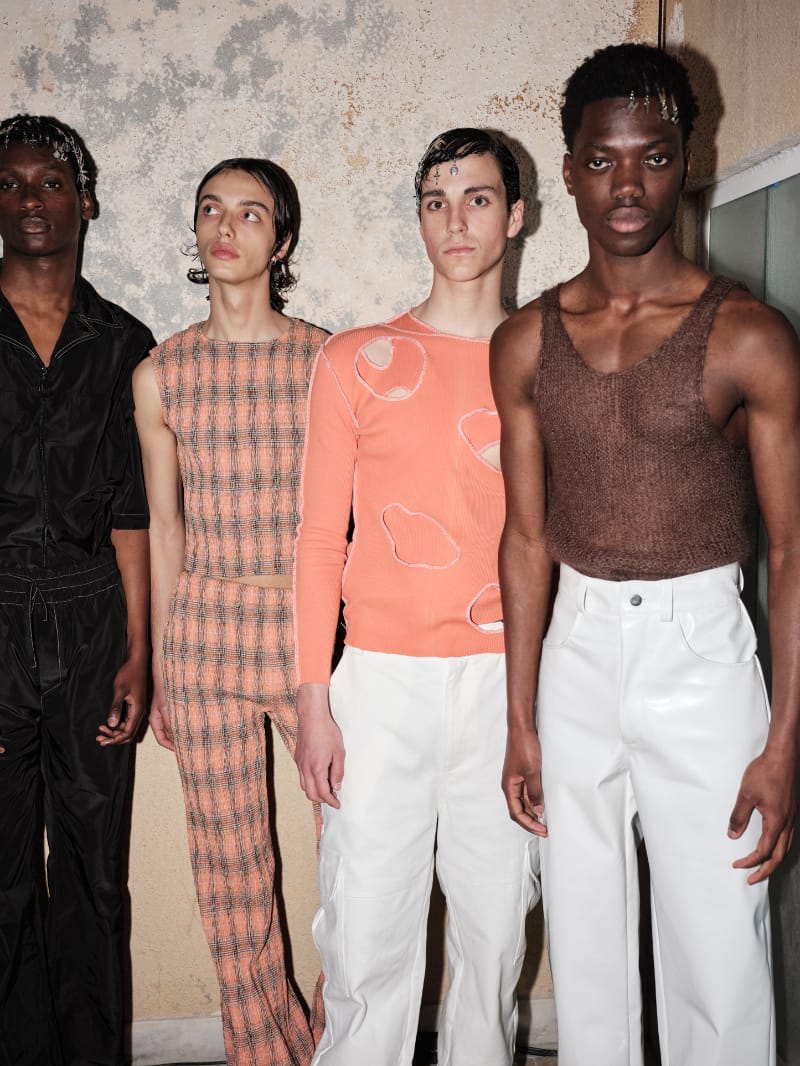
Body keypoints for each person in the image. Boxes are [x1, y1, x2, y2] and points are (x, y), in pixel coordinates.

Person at [491, 42, 800, 1066]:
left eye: (653, 157)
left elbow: (793, 546)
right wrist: (520, 717)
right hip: (574, 650)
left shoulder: (746, 335)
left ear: (685, 162)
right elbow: (524, 536)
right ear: (570, 170)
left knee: (718, 943)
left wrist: (784, 741)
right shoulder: (525, 340)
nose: (627, 185)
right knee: (585, 943)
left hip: (700, 651)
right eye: (602, 160)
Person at [294, 128, 540, 1066]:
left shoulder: (547, 360)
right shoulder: (354, 359)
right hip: (379, 686)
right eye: (436, 201)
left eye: (478, 198)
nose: (455, 220)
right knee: (365, 934)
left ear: (515, 216)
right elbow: (319, 540)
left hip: (505, 683)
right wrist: (314, 700)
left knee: (495, 933)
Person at [133, 157, 328, 1066]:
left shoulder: (325, 359)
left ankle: (341, 1038)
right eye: (212, 208)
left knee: (360, 852)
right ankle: (264, 1052)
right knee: (230, 875)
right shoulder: (161, 373)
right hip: (204, 637)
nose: (226, 225)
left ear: (281, 240)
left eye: (251, 213)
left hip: (309, 636)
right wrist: (164, 669)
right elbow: (165, 526)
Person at [0, 114, 154, 1066]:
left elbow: (133, 511)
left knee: (96, 872)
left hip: (95, 623)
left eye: (50, 183)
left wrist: (140, 651)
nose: (30, 200)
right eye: (10, 183)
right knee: (5, 878)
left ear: (84, 202)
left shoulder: (125, 342)